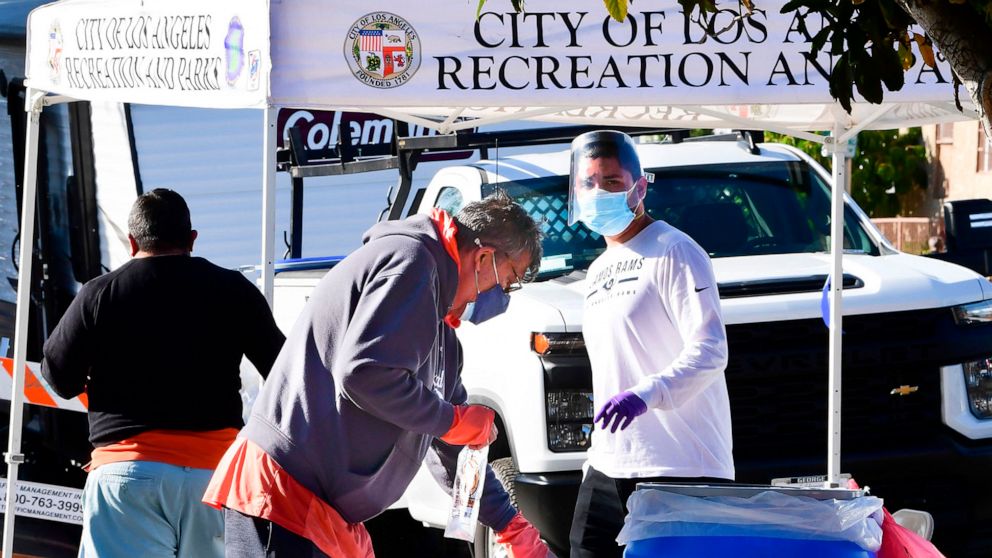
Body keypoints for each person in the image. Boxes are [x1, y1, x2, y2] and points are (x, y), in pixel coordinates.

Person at [203, 192, 551, 557]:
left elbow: (453, 450)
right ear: (483, 258)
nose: (503, 297)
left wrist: (511, 526)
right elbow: (365, 373)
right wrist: (451, 419)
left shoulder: (445, 337)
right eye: (509, 281)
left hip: (325, 517)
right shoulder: (412, 262)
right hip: (282, 496)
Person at [41, 188, 286, 558]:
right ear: (192, 239)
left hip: (127, 477)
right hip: (213, 479)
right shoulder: (234, 290)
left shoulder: (98, 294)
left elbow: (59, 378)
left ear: (132, 241)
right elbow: (284, 373)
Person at [565, 131, 734, 557]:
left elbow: (711, 349)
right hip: (609, 463)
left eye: (612, 182)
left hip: (680, 466)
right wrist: (593, 455)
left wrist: (647, 394)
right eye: (589, 183)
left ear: (639, 188)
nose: (598, 192)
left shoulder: (675, 250)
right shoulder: (598, 271)